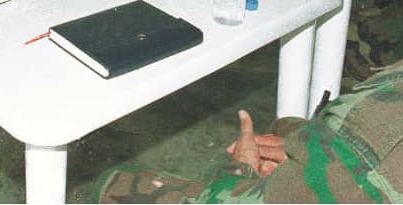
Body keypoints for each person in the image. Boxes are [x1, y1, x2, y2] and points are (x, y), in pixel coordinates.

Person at [95, 57, 403, 203]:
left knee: (114, 185)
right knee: (287, 129)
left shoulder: (381, 113)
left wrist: (239, 170)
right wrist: (316, 153)